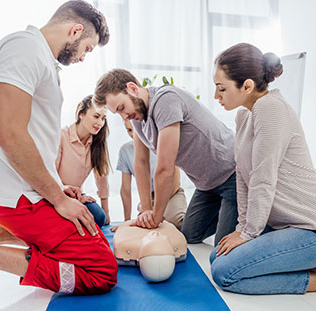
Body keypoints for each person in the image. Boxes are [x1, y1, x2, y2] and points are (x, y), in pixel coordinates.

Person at [0, 0, 118, 295]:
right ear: (75, 31)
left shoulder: (41, 59)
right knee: (102, 271)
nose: (84, 57)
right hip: (17, 196)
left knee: (93, 231)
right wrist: (58, 200)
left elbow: (33, 136)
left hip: (29, 190)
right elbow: (9, 134)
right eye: (87, 48)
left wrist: (58, 188)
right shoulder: (24, 48)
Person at [209, 42, 316, 295]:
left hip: (313, 227)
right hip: (286, 224)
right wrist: (242, 229)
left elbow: (263, 177)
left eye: (221, 88)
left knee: (224, 273)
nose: (216, 95)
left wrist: (249, 234)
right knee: (217, 257)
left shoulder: (270, 108)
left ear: (247, 86)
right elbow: (243, 178)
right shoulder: (244, 116)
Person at [94, 69, 238, 245]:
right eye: (118, 113)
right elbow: (141, 163)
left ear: (132, 88)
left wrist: (156, 216)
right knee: (189, 235)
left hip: (232, 173)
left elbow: (165, 168)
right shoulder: (137, 119)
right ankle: (229, 212)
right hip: (206, 184)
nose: (124, 116)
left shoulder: (165, 100)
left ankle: (250, 215)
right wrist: (145, 209)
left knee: (221, 247)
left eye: (122, 108)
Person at [116, 119, 187, 230]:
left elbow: (175, 181)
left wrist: (160, 210)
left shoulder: (161, 144)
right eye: (129, 130)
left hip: (172, 193)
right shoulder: (125, 150)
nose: (134, 134)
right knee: (148, 223)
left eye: (136, 130)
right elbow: (125, 189)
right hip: (149, 197)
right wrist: (127, 221)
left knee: (176, 223)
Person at [56, 94, 111, 227]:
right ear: (81, 114)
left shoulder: (97, 143)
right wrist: (67, 195)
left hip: (77, 196)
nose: (100, 123)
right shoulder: (61, 136)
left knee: (99, 217)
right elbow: (50, 172)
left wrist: (106, 211)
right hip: (55, 194)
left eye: (103, 118)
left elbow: (101, 176)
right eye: (96, 116)